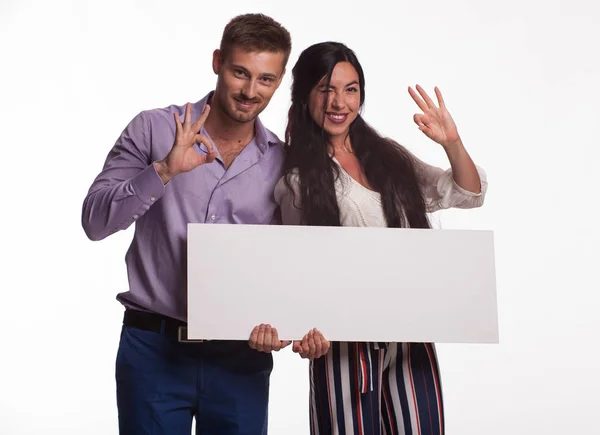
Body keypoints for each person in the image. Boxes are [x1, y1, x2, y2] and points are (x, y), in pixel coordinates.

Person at [81, 13, 294, 435]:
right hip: (153, 350)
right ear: (217, 61)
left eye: (266, 80)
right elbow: (95, 220)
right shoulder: (155, 129)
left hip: (241, 359)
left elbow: (287, 265)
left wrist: (283, 322)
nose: (251, 92)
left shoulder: (283, 161)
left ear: (280, 79)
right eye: (240, 73)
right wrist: (161, 171)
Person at [273, 42, 488, 435]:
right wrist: (301, 327)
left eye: (351, 89)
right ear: (304, 96)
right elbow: (297, 269)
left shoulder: (388, 156)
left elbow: (468, 193)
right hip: (341, 343)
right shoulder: (298, 180)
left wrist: (451, 142)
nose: (339, 102)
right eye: (326, 89)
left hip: (410, 334)